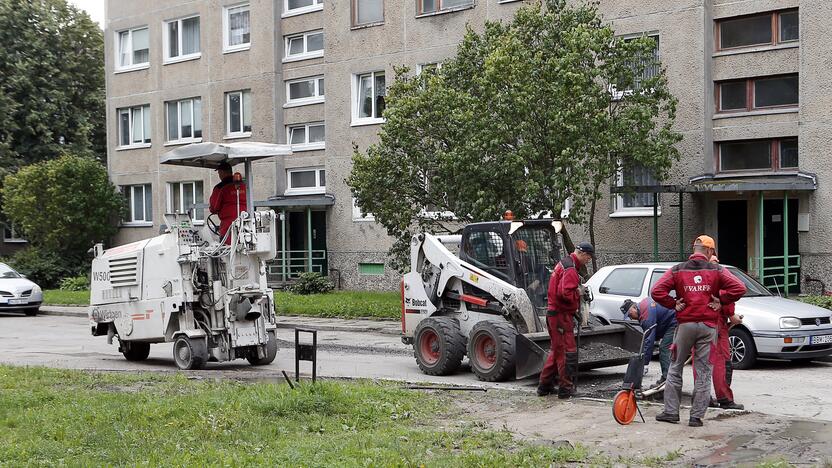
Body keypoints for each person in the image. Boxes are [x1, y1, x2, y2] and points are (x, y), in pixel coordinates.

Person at [651, 235, 746, 427]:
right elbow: (739, 288)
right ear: (710, 251)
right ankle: (696, 417)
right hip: (709, 326)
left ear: (694, 250)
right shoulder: (717, 269)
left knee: (675, 367)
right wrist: (721, 300)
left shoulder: (678, 269)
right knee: (704, 371)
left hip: (685, 325)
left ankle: (671, 412)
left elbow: (656, 291)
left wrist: (673, 303)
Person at [537, 241, 594, 399]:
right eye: (588, 257)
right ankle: (565, 388)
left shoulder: (564, 264)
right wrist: (578, 294)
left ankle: (544, 386)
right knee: (567, 352)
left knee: (556, 350)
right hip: (560, 316)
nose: (589, 260)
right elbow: (565, 293)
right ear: (582, 253)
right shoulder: (571, 270)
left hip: (556, 314)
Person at [705, 255, 745, 410]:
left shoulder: (691, 274)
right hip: (716, 326)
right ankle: (725, 398)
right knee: (721, 362)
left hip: (695, 324)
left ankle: (702, 397)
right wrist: (733, 317)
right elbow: (729, 304)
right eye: (715, 263)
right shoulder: (718, 281)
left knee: (701, 363)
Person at [620, 297, 677, 386]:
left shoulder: (646, 315)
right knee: (666, 348)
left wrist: (644, 363)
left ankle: (667, 379)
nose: (631, 318)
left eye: (630, 315)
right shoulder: (643, 307)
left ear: (634, 308)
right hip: (670, 321)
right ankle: (669, 377)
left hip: (675, 322)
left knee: (664, 348)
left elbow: (649, 340)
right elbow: (648, 338)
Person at [209, 161, 246, 242]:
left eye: (219, 173)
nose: (219, 175)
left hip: (228, 227)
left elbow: (214, 208)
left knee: (226, 251)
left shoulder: (219, 188)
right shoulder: (244, 186)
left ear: (222, 172)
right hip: (246, 226)